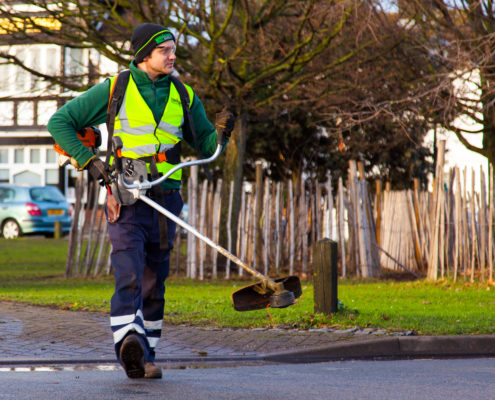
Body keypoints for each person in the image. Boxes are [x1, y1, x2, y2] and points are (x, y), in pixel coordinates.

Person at [47, 23, 234, 379]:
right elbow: (60, 122)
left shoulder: (184, 94)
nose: (172, 55)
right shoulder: (115, 88)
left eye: (173, 48)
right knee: (129, 273)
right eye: (165, 50)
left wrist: (222, 134)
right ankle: (128, 343)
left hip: (168, 197)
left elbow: (207, 147)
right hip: (126, 197)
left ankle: (146, 355)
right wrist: (91, 161)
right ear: (144, 54)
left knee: (154, 282)